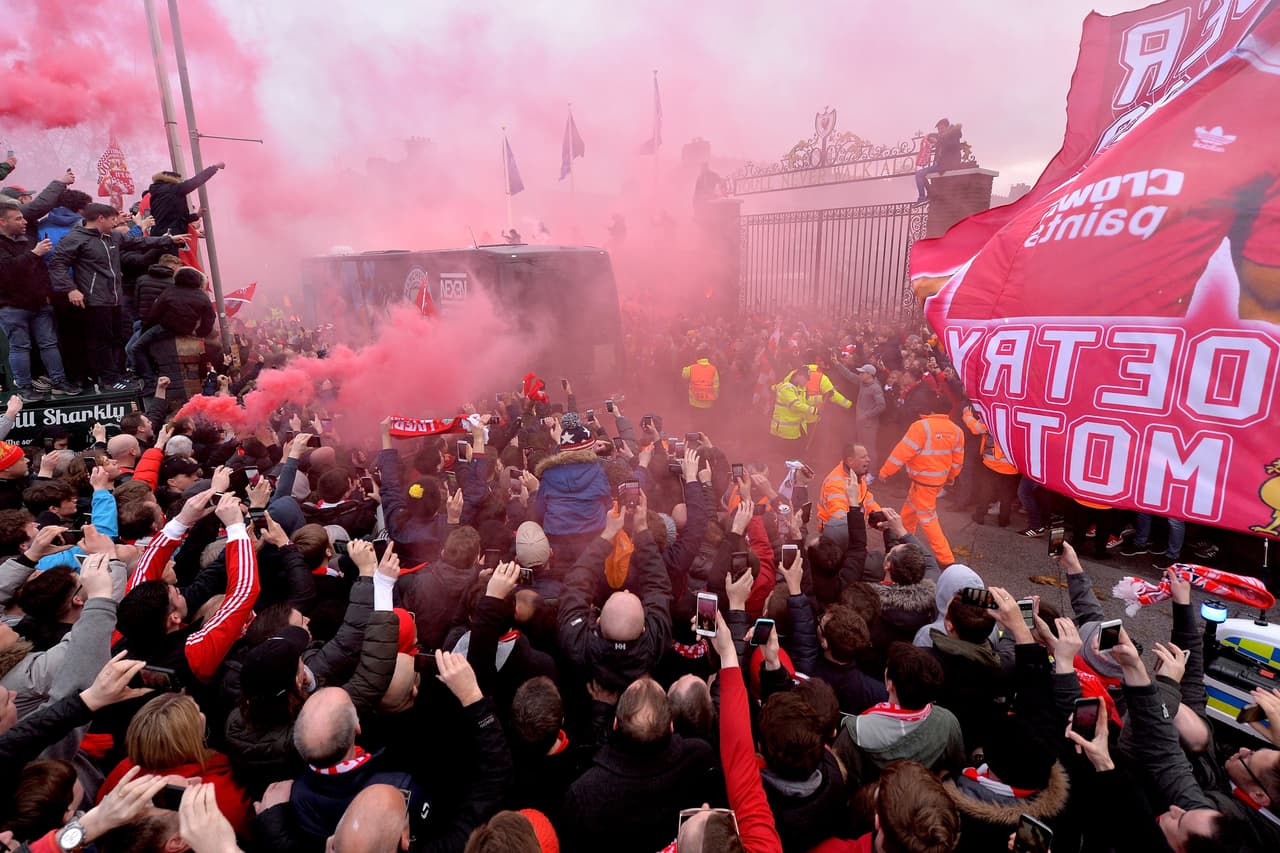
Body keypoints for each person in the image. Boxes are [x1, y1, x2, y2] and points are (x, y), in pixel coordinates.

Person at [47, 204, 188, 391]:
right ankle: (107, 380)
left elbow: (139, 242)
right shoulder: (75, 238)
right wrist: (70, 289)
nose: (117, 222)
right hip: (93, 299)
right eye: (113, 219)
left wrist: (168, 240)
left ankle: (120, 374)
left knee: (118, 337)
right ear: (100, 218)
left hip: (115, 297)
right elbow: (57, 265)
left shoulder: (113, 236)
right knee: (101, 341)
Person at [0, 201, 81, 401]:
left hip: (40, 303)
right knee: (20, 346)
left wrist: (47, 293)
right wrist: (34, 254)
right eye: (18, 218)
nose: (24, 221)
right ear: (2, 221)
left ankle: (59, 382)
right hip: (12, 306)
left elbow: (40, 270)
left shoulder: (26, 239)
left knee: (50, 344)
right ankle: (24, 387)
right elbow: (6, 272)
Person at [879, 392, 965, 567]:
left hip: (922, 481)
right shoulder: (957, 431)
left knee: (928, 519)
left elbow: (902, 451)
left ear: (931, 408)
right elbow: (957, 460)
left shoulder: (921, 426)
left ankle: (946, 559)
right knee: (910, 510)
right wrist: (951, 478)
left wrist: (885, 471)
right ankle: (903, 540)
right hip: (936, 481)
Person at [961, 404, 1019, 527]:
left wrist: (967, 415)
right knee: (1006, 495)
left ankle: (979, 516)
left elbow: (976, 428)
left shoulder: (994, 418)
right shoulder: (1020, 419)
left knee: (986, 491)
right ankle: (1004, 520)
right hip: (1012, 466)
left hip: (992, 463)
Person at [815, 444, 880, 552]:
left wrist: (879, 514)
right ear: (850, 461)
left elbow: (866, 499)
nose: (868, 460)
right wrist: (858, 532)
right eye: (863, 457)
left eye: (867, 456)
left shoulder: (857, 475)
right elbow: (840, 518)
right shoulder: (835, 484)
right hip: (835, 538)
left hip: (850, 532)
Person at [144, 164, 225, 241]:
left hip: (159, 236)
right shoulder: (173, 190)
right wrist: (215, 167)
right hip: (169, 237)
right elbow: (196, 181)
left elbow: (175, 218)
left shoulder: (158, 194)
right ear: (173, 179)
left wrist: (197, 215)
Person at [915, 118, 964, 201]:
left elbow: (953, 146)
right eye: (938, 129)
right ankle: (929, 195)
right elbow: (939, 154)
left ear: (947, 127)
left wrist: (938, 142)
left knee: (919, 174)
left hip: (948, 164)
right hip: (941, 164)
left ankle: (922, 197)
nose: (939, 130)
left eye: (941, 128)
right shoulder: (943, 137)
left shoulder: (953, 134)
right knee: (921, 174)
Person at [681, 350, 719, 432]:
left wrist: (687, 366)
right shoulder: (713, 369)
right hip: (708, 402)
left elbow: (684, 375)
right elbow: (716, 385)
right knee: (705, 423)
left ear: (697, 357)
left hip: (694, 401)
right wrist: (715, 398)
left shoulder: (692, 368)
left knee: (695, 423)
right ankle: (705, 437)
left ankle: (696, 438)